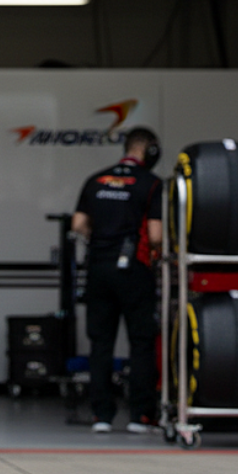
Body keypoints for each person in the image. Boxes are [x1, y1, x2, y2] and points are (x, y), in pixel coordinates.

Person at [71, 126, 163, 434]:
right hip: (134, 269)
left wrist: (100, 239)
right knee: (141, 343)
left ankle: (102, 417)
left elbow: (79, 224)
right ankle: (140, 416)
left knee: (101, 344)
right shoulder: (150, 184)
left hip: (98, 267)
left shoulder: (96, 180)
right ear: (149, 150)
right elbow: (154, 235)